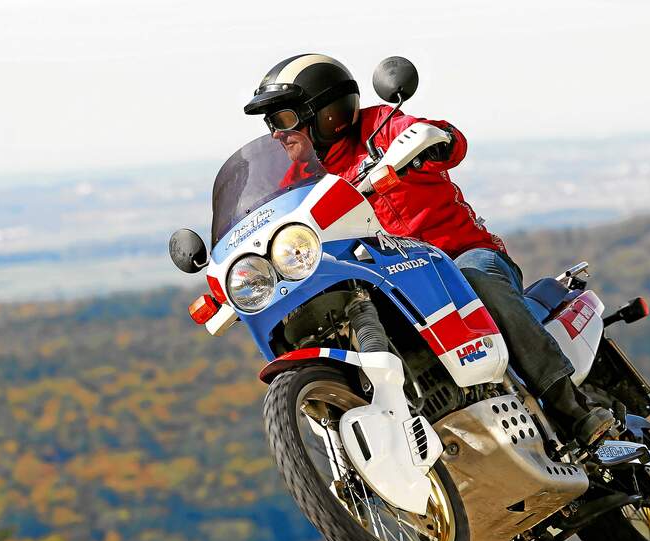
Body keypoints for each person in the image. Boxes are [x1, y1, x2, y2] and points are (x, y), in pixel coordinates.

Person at [244, 53, 614, 447]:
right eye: (271, 123)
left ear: (327, 113)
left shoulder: (380, 129)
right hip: (389, 285)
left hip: (460, 256)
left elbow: (439, 136)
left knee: (476, 280)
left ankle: (571, 407)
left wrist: (435, 141)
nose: (277, 134)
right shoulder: (298, 183)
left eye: (284, 119)